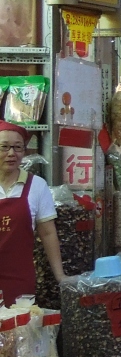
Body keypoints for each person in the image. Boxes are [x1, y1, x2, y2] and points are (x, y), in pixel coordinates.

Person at [0, 123, 63, 303]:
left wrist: (60, 276)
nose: (11, 153)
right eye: (4, 147)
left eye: (18, 147)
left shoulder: (37, 185)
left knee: (19, 321)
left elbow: (48, 233)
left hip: (19, 280)